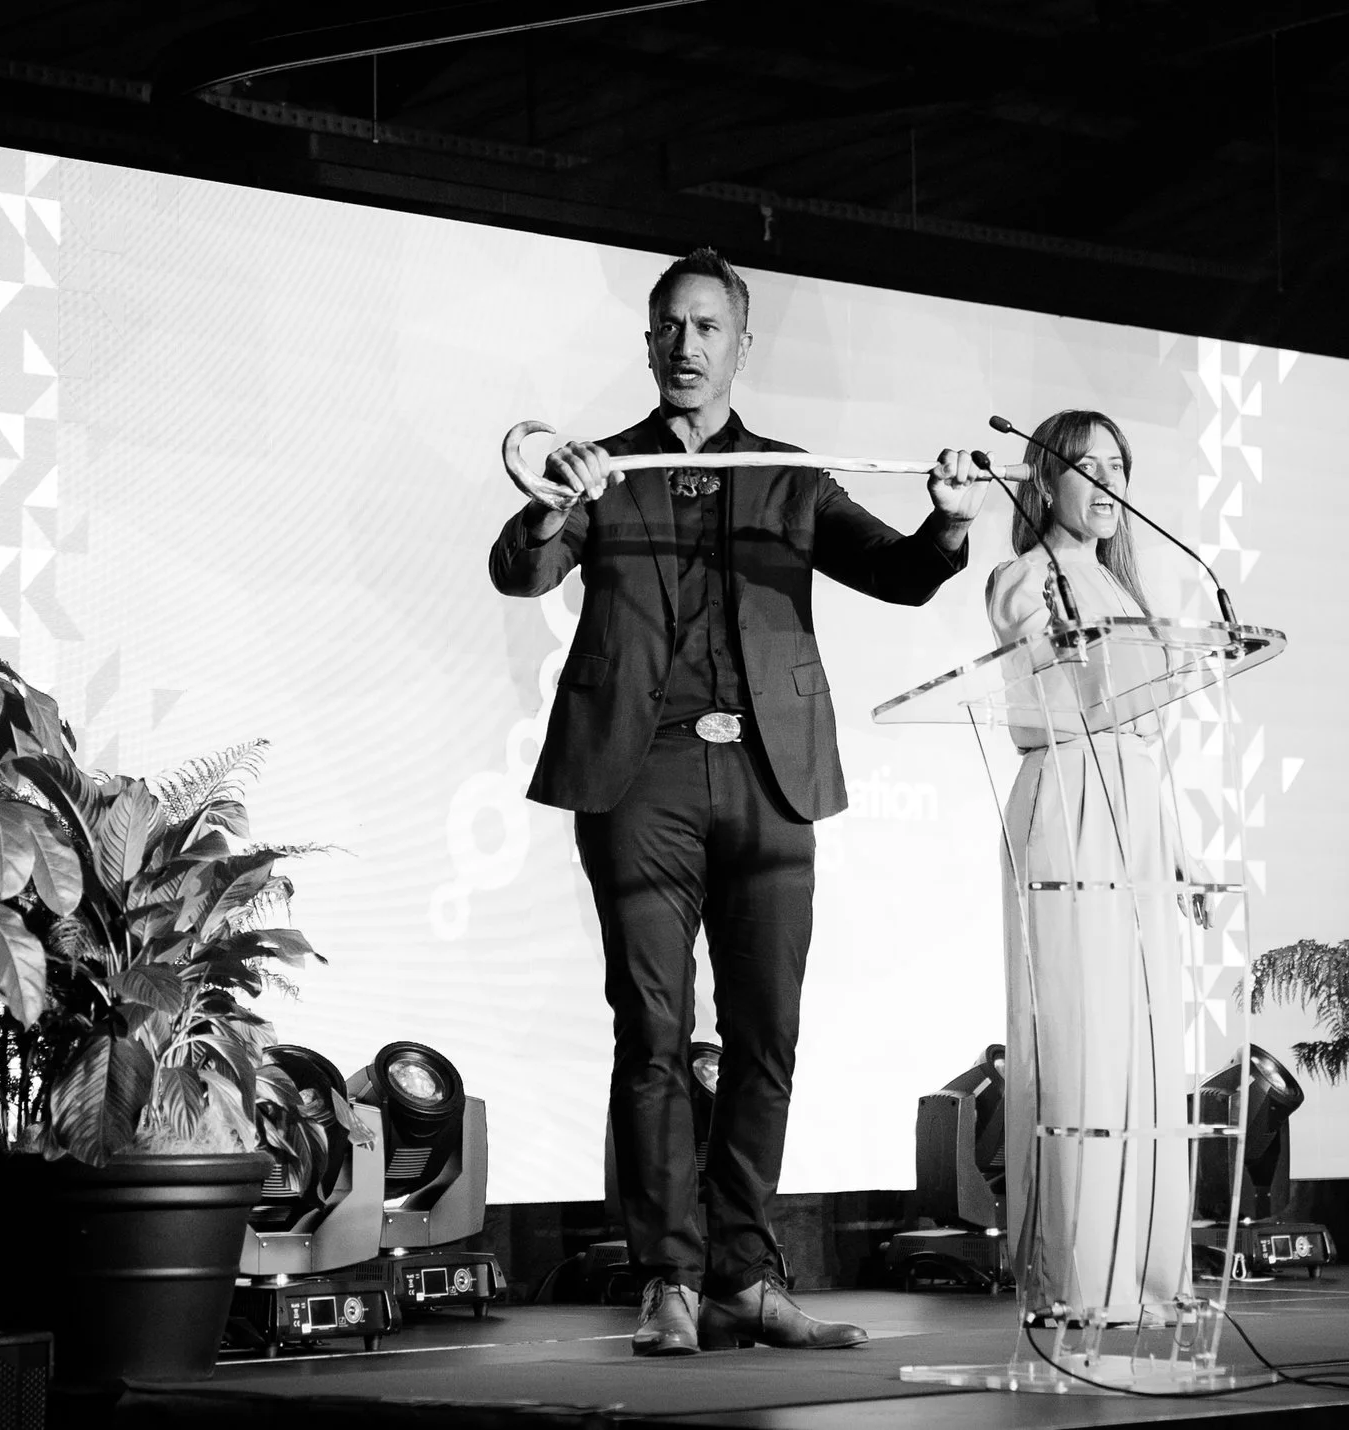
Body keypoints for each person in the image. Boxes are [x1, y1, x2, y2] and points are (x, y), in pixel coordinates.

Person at [487, 248, 984, 1356]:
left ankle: (742, 1274)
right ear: (649, 338)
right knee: (653, 1035)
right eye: (670, 325)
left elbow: (899, 572)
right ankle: (668, 1277)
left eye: (709, 327)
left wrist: (948, 520)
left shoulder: (792, 474)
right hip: (639, 777)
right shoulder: (599, 470)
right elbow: (523, 572)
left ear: (739, 345)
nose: (687, 344)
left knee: (769, 1036)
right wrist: (543, 507)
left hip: (772, 775)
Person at [982, 408, 1195, 1325]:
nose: (1107, 486)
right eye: (1087, 467)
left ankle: (1148, 1275)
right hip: (1068, 795)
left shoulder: (1126, 589)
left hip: (1135, 806)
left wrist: (1179, 852)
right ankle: (1082, 1274)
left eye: (1120, 466)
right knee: (1082, 1036)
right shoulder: (1026, 576)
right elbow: (1025, 638)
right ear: (1047, 482)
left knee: (1144, 1049)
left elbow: (1148, 728)